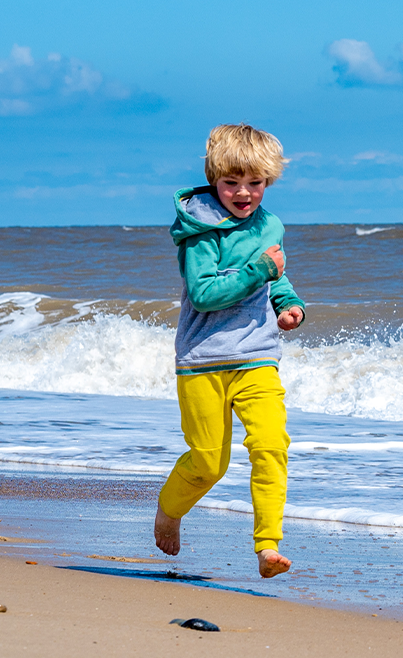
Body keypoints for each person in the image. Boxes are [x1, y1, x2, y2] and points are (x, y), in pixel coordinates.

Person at [152, 123, 306, 579]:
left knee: (271, 444)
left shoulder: (270, 225)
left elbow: (276, 275)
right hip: (202, 360)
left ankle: (267, 546)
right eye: (232, 183)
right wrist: (261, 270)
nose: (244, 194)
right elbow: (204, 293)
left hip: (258, 354)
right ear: (214, 178)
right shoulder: (199, 231)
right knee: (208, 463)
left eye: (255, 183)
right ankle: (169, 507)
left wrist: (289, 303)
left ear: (269, 181)